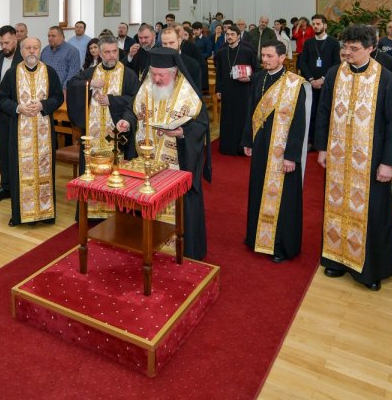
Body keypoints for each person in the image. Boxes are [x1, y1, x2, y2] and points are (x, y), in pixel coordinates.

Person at [316, 25, 392, 290]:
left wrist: (388, 163)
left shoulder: (385, 79)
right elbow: (323, 112)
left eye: (354, 49)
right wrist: (322, 148)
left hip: (372, 161)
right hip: (339, 159)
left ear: (370, 49)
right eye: (345, 47)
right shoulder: (335, 74)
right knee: (336, 206)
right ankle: (336, 260)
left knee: (373, 213)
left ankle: (369, 269)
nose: (347, 53)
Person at [133, 47, 210, 260]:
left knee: (181, 205)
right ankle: (152, 242)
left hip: (178, 160)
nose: (156, 79)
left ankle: (184, 247)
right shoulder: (146, 88)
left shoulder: (188, 94)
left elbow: (202, 124)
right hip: (149, 161)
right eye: (153, 74)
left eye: (161, 75)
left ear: (174, 73)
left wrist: (182, 131)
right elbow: (136, 113)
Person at [242, 42, 310, 262]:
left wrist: (292, 155)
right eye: (263, 55)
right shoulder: (259, 78)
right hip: (261, 145)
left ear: (282, 58)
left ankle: (279, 245)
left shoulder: (294, 84)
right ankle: (256, 238)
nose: (265, 60)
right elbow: (251, 111)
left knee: (283, 198)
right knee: (259, 188)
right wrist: (248, 141)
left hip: (282, 151)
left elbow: (299, 123)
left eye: (270, 56)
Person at [65, 35, 139, 217]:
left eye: (114, 51)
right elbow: (72, 84)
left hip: (117, 136)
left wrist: (112, 100)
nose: (111, 55)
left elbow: (136, 101)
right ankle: (90, 213)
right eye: (107, 52)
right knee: (91, 170)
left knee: (117, 169)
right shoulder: (91, 72)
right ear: (99, 52)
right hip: (93, 137)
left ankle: (117, 212)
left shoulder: (128, 74)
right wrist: (89, 84)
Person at [0, 37, 62, 226]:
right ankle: (20, 215)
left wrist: (43, 105)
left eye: (35, 48)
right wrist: (18, 108)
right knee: (20, 172)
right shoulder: (12, 73)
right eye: (28, 48)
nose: (32, 51)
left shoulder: (49, 72)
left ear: (40, 50)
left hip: (44, 133)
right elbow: (1, 99)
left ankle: (46, 213)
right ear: (22, 50)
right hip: (19, 133)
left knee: (45, 171)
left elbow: (57, 97)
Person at [0, 25, 23, 204]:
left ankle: (20, 186)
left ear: (15, 39)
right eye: (1, 43)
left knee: (19, 150)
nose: (4, 46)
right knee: (3, 151)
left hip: (19, 112)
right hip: (1, 111)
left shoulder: (24, 56)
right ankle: (6, 185)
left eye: (7, 42)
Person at [296, 15, 341, 150]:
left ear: (325, 26)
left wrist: (323, 79)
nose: (315, 26)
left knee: (324, 113)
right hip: (310, 84)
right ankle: (310, 141)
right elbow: (302, 62)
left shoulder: (333, 42)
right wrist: (311, 79)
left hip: (326, 84)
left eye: (318, 24)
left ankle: (323, 142)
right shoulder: (309, 43)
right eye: (314, 24)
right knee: (310, 112)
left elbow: (336, 63)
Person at [214, 24, 259, 155]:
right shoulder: (221, 52)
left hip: (243, 89)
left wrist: (249, 79)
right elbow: (219, 73)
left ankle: (241, 147)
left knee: (242, 117)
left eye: (232, 34)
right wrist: (218, 89)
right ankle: (227, 147)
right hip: (227, 89)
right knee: (227, 117)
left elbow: (257, 70)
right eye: (227, 34)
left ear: (239, 36)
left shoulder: (247, 51)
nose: (229, 37)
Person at [39, 25, 82, 91]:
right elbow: (40, 69)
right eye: (49, 36)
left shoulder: (72, 51)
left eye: (53, 36)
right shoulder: (45, 51)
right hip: (46, 89)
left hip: (64, 91)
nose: (50, 38)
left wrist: (64, 88)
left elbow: (73, 73)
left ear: (62, 36)